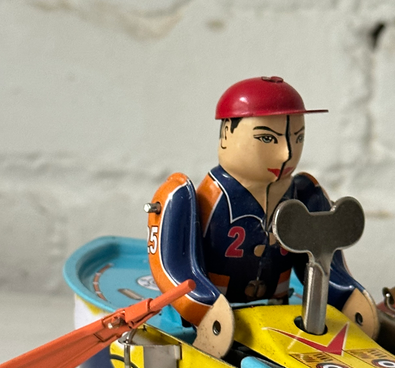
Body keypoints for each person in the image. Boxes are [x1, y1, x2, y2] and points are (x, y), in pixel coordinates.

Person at [147, 77, 379, 343]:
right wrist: (202, 306)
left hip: (280, 315)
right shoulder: (191, 199)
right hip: (210, 318)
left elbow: (323, 261)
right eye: (267, 138)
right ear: (226, 134)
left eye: (298, 138)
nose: (286, 154)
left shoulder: (306, 195)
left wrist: (347, 296)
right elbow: (176, 268)